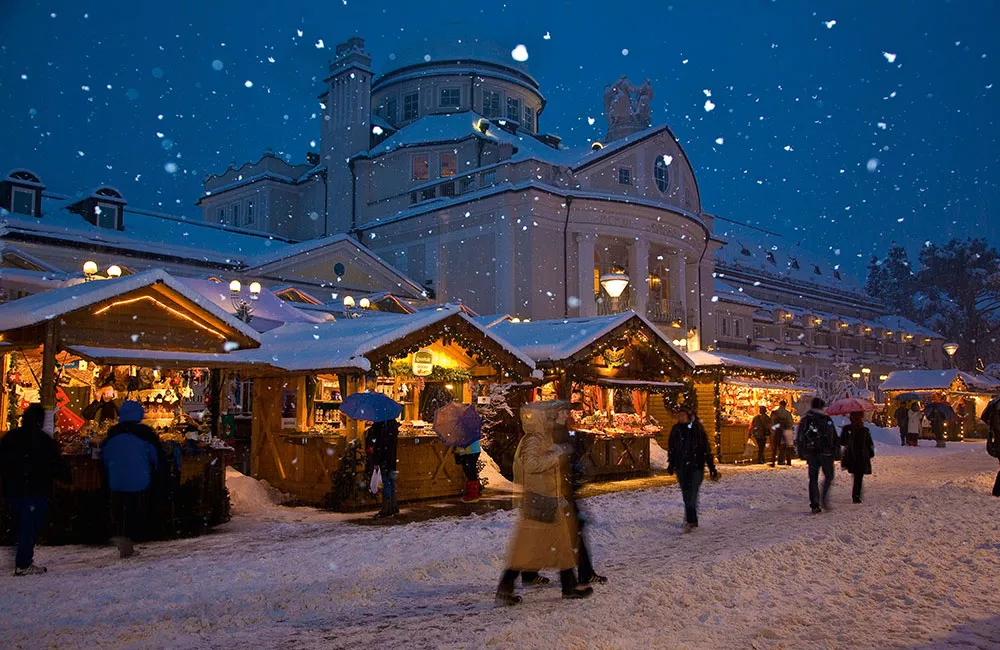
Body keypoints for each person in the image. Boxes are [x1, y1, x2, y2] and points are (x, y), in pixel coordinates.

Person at [495, 401, 592, 606]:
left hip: (549, 499)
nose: (552, 418)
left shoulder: (543, 436)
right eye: (549, 415)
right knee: (527, 548)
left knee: (561, 545)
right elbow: (531, 465)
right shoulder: (534, 439)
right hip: (539, 501)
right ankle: (506, 588)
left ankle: (569, 586)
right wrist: (555, 455)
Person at [0, 404, 70, 576]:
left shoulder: (12, 437)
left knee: (20, 524)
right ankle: (23, 562)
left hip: (13, 488)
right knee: (29, 526)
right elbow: (55, 462)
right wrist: (66, 478)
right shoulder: (42, 440)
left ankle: (21, 555)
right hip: (34, 489)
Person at [101, 400, 162, 558]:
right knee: (135, 508)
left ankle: (122, 535)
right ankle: (129, 538)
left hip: (116, 479)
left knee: (120, 508)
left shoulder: (113, 433)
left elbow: (105, 457)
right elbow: (155, 457)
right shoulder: (145, 434)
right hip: (139, 478)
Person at [666, 406, 719, 532]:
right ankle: (692, 519)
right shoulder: (676, 430)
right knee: (686, 494)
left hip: (696, 466)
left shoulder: (697, 429)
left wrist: (712, 468)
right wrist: (671, 464)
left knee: (692, 493)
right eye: (679, 416)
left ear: (688, 416)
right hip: (681, 467)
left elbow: (705, 449)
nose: (680, 418)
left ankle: (690, 520)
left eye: (683, 415)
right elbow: (672, 449)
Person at [796, 397, 838, 514]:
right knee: (829, 476)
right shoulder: (826, 419)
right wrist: (836, 452)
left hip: (811, 453)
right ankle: (823, 498)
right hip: (826, 453)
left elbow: (800, 437)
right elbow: (833, 437)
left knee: (813, 478)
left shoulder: (805, 420)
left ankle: (815, 503)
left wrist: (802, 452)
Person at [367, 419, 400, 519]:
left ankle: (386, 508)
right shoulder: (393, 426)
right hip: (392, 460)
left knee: (386, 483)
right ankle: (393, 506)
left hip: (384, 460)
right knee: (391, 483)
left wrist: (376, 461)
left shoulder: (379, 427)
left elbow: (378, 446)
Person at [840, 411, 875, 504]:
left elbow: (842, 442)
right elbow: (869, 444)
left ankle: (856, 495)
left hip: (851, 456)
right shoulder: (864, 430)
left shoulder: (847, 429)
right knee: (858, 477)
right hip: (862, 457)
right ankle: (856, 495)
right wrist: (870, 454)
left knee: (857, 476)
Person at [454, 439, 481, 504]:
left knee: (470, 472)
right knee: (471, 471)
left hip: (469, 451)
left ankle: (473, 495)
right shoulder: (471, 430)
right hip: (474, 450)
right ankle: (473, 493)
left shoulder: (464, 430)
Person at [770, 400, 795, 467]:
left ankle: (773, 462)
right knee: (787, 447)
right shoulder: (787, 413)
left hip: (777, 431)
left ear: (779, 404)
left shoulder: (775, 413)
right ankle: (787, 461)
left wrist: (774, 429)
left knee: (775, 447)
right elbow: (790, 422)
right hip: (786, 431)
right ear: (785, 405)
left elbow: (772, 423)